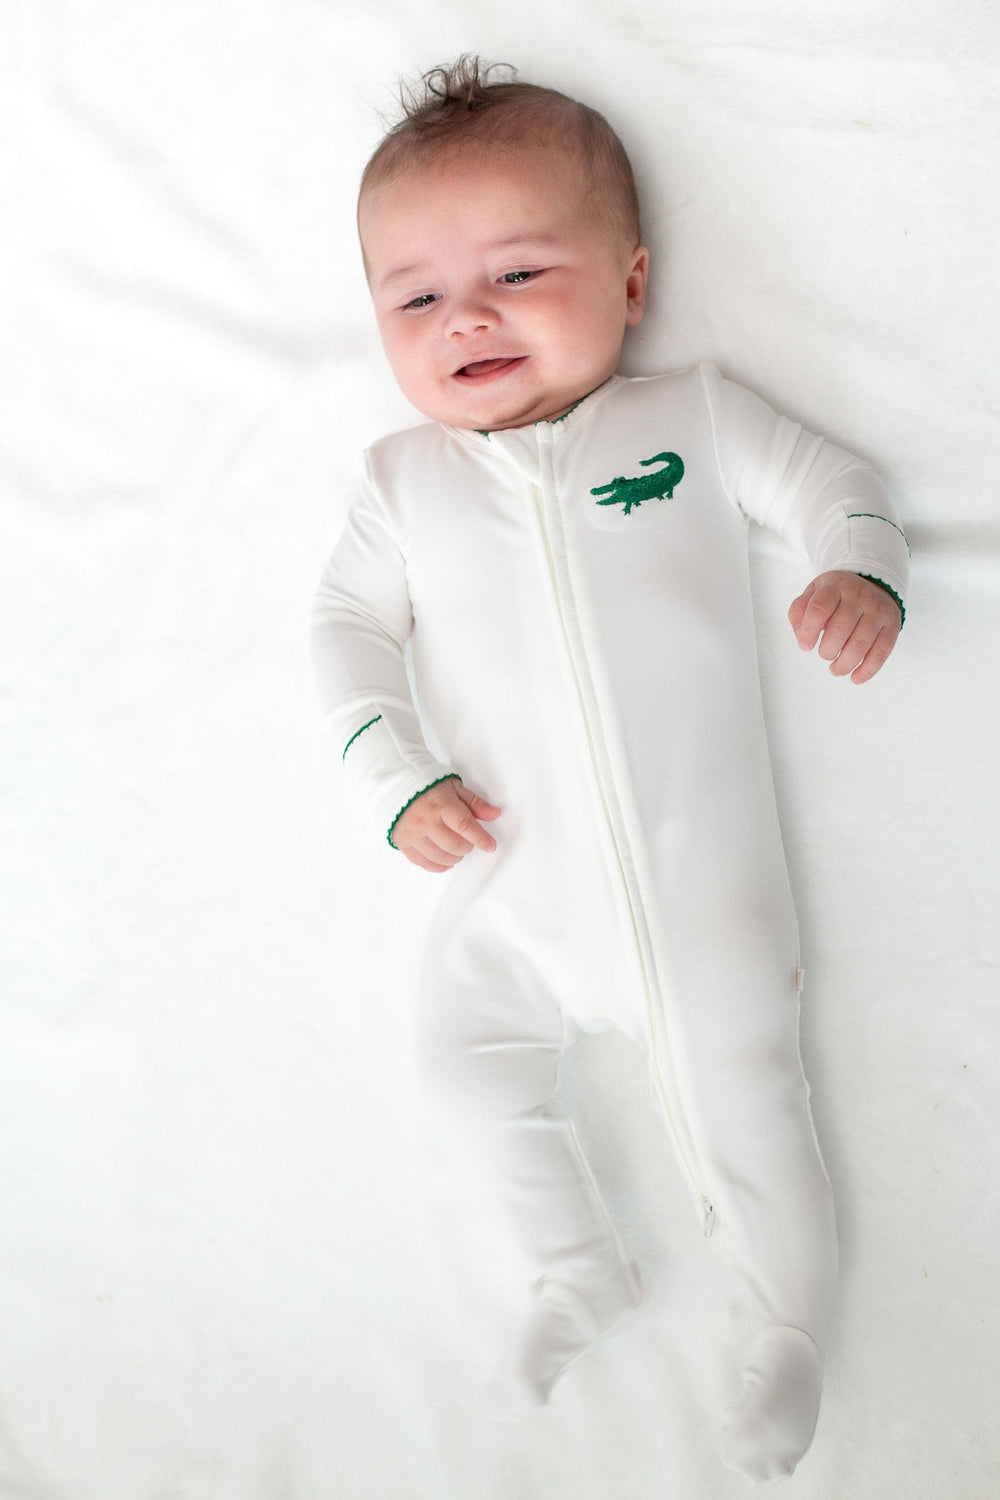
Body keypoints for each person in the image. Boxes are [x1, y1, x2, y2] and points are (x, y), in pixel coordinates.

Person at [310, 55, 909, 1483]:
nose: (467, 316)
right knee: (458, 1067)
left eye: (518, 272)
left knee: (753, 1103)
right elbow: (342, 634)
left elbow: (841, 488)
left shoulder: (692, 419)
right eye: (415, 299)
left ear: (631, 284)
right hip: (507, 887)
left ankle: (787, 1335)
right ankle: (576, 1266)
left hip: (705, 889)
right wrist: (398, 781)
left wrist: (861, 573)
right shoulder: (402, 486)